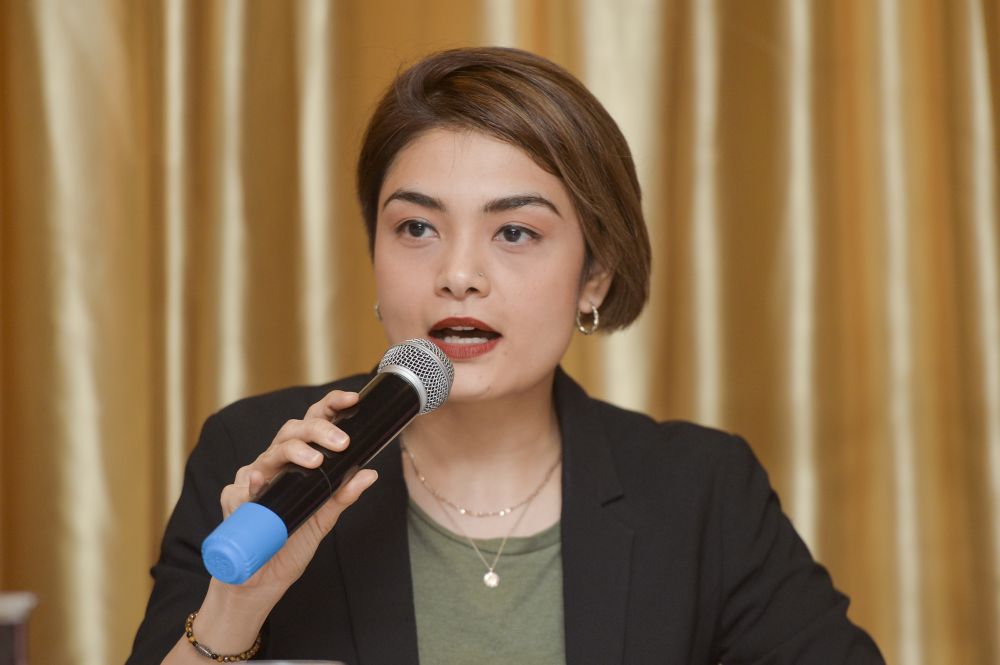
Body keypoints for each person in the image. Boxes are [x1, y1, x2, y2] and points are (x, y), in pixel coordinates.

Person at [128, 47, 884, 664]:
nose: (458, 273)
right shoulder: (254, 456)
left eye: (515, 232)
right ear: (375, 258)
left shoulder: (700, 491)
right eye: (417, 228)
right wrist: (239, 604)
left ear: (595, 274)